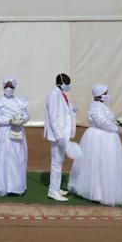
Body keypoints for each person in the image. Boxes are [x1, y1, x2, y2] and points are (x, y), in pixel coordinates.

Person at [68, 84, 122, 205]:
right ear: (99, 95)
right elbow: (101, 122)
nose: (107, 95)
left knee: (106, 163)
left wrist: (116, 124)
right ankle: (96, 192)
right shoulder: (95, 107)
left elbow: (107, 120)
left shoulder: (102, 106)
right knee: (97, 163)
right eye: (106, 93)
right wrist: (117, 128)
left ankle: (104, 189)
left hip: (106, 136)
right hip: (99, 137)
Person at [44, 73, 76, 202]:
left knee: (59, 161)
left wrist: (72, 109)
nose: (69, 86)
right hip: (58, 135)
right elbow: (53, 117)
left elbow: (63, 111)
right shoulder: (54, 95)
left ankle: (56, 188)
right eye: (67, 83)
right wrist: (59, 136)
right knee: (56, 162)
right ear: (62, 83)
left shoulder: (61, 94)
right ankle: (52, 191)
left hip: (63, 134)